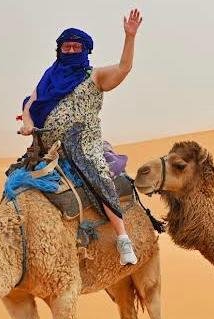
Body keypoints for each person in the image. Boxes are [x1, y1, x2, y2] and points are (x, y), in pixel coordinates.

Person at [19, 9, 143, 265]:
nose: (72, 51)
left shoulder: (94, 76)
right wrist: (28, 125)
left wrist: (129, 37)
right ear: (59, 50)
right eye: (67, 47)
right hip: (48, 149)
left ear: (86, 50)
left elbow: (124, 68)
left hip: (84, 146)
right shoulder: (48, 78)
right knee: (15, 182)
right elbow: (30, 104)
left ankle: (122, 238)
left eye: (77, 47)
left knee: (97, 176)